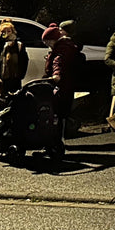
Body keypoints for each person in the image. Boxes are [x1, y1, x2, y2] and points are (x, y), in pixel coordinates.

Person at [42, 24, 81, 157]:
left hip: (62, 86)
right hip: (66, 84)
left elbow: (58, 62)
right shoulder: (66, 46)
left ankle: (56, 143)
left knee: (57, 115)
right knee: (59, 115)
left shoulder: (62, 48)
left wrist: (56, 75)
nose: (47, 44)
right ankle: (56, 142)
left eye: (47, 42)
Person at [0, 19, 28, 95]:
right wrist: (0, 42)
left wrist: (21, 75)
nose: (7, 34)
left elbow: (24, 60)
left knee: (14, 99)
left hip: (14, 79)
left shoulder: (18, 45)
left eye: (9, 31)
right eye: (4, 32)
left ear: (13, 32)